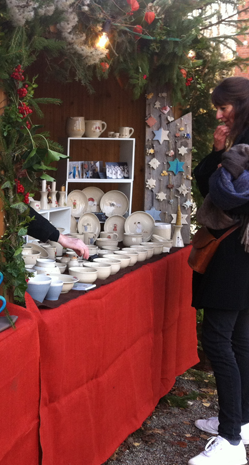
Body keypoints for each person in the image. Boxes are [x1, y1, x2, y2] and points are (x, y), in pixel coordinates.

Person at [189, 76, 249, 465]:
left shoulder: (245, 144)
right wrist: (217, 151)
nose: (217, 115)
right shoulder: (237, 141)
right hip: (242, 249)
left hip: (234, 252)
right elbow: (207, 185)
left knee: (217, 339)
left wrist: (224, 159)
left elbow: (225, 196)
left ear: (239, 105)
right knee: (241, 339)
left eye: (222, 107)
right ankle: (241, 422)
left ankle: (230, 442)